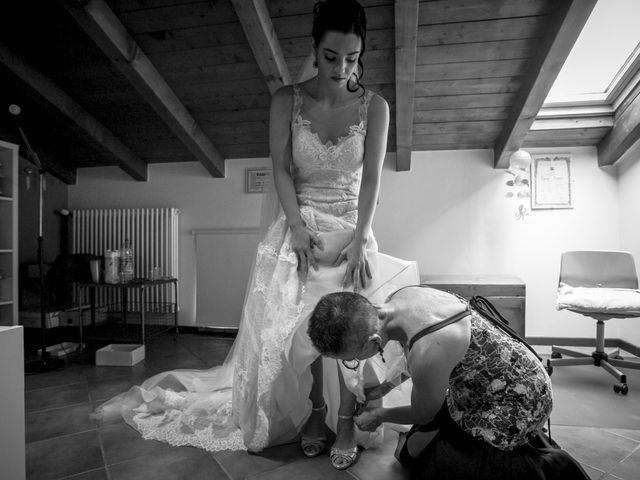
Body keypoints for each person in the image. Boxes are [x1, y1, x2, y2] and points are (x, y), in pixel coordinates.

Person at [92, 0, 418, 469]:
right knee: (293, 333)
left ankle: (347, 417)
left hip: (351, 229)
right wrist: (299, 230)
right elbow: (281, 170)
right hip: (299, 228)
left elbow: (371, 181)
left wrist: (360, 236)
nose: (341, 68)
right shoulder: (287, 100)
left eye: (351, 58)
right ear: (314, 48)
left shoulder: (376, 107)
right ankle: (314, 411)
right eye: (331, 56)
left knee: (356, 329)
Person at [308, 287, 591, 479]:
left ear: (372, 342)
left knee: (437, 464)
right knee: (415, 448)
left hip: (520, 399)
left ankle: (548, 466)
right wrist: (386, 387)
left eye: (352, 360)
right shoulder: (401, 299)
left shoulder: (429, 350)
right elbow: (419, 360)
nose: (353, 365)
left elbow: (422, 412)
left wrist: (379, 415)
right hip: (485, 382)